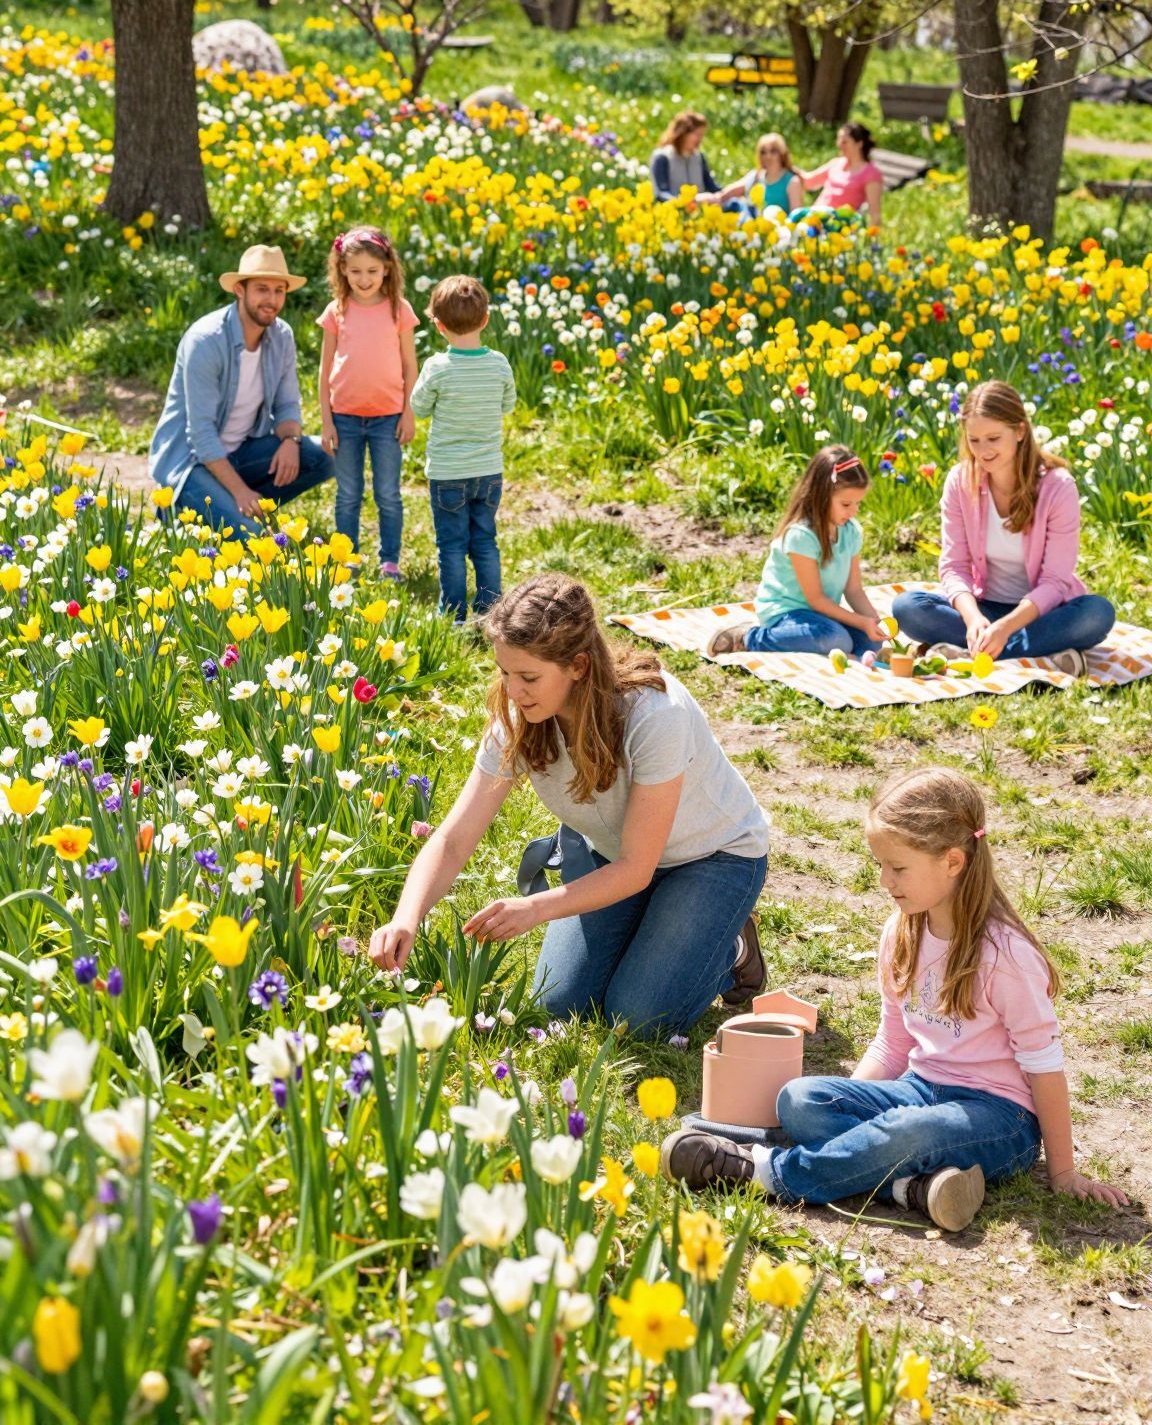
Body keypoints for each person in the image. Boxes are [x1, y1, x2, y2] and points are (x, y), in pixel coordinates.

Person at [661, 767, 1130, 1231]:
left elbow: (1044, 1066)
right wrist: (856, 1106)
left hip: (1000, 1119)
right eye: (880, 865)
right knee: (801, 1100)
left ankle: (764, 1172)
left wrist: (1064, 1171)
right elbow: (892, 1044)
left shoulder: (1005, 956)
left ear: (952, 861)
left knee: (907, 1132)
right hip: (919, 1090)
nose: (885, 881)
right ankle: (914, 1189)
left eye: (898, 867)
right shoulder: (901, 932)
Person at [367, 574, 771, 1037]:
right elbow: (456, 838)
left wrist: (535, 908)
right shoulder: (520, 715)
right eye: (504, 672)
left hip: (709, 857)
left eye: (528, 677)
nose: (513, 691)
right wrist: (407, 916)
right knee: (558, 1005)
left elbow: (639, 868)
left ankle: (731, 942)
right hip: (611, 854)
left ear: (578, 665)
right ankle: (659, 927)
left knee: (638, 1019)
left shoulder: (655, 715)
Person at [892, 381, 1116, 677]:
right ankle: (1038, 654)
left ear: (1020, 431)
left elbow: (1055, 580)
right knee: (907, 607)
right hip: (985, 609)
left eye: (993, 438)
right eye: (974, 440)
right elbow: (954, 566)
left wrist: (1006, 627)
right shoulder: (960, 482)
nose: (983, 451)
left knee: (1097, 614)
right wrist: (973, 620)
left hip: (1043, 614)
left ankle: (975, 651)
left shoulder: (1057, 487)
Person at [149, 243, 333, 535]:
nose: (271, 300)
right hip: (192, 464)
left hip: (243, 452)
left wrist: (291, 441)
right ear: (240, 290)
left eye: (279, 291)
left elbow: (287, 405)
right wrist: (239, 492)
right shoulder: (206, 341)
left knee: (324, 457)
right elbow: (201, 435)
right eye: (262, 289)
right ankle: (189, 506)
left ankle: (229, 511)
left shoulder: (281, 335)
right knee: (253, 540)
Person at [707, 446, 885, 659]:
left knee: (871, 643)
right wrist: (861, 622)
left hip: (821, 615)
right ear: (821, 496)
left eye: (858, 503)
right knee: (837, 640)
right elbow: (816, 599)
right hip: (786, 612)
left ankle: (845, 651)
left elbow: (854, 590)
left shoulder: (850, 531)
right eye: (846, 503)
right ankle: (749, 638)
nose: (854, 511)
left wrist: (875, 623)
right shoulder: (801, 535)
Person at [409, 275, 516, 619]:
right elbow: (508, 404)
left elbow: (419, 407)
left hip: (448, 474)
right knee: (485, 541)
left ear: (439, 326)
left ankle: (452, 613)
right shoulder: (498, 363)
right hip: (488, 471)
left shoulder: (437, 368)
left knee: (452, 546)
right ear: (485, 319)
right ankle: (490, 611)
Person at [317, 225, 418, 579]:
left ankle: (389, 560)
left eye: (372, 271)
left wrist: (409, 412)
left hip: (388, 418)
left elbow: (409, 364)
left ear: (387, 268)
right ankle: (348, 559)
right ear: (342, 269)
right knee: (347, 494)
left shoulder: (398, 310)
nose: (364, 279)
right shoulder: (337, 309)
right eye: (356, 271)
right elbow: (325, 368)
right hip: (344, 417)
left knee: (388, 494)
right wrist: (326, 420)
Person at [797, 121, 884, 228]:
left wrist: (871, 239)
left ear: (859, 144)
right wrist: (785, 164)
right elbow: (808, 182)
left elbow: (875, 213)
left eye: (844, 142)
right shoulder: (836, 163)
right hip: (815, 217)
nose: (839, 145)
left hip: (839, 226)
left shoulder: (871, 174)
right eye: (839, 140)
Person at [717, 132, 803, 216]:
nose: (768, 156)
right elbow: (726, 194)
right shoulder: (756, 176)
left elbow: (795, 217)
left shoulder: (792, 182)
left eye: (773, 151)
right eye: (763, 152)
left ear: (782, 153)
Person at [649, 111, 723, 206]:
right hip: (673, 214)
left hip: (699, 213)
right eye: (697, 134)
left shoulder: (699, 157)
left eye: (702, 135)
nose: (700, 139)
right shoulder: (662, 157)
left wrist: (727, 194)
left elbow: (712, 187)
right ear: (683, 133)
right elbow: (661, 194)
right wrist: (690, 201)